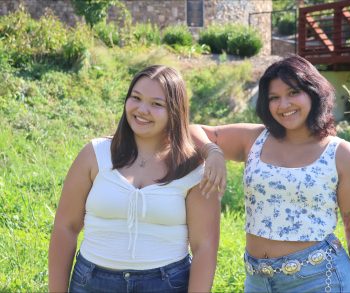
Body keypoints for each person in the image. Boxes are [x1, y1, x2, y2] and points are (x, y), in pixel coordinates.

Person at [192, 54, 350, 292]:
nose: (284, 105)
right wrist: (213, 152)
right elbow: (191, 131)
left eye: (293, 93)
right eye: (274, 98)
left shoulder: (342, 155)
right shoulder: (254, 139)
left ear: (313, 92)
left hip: (320, 280)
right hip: (258, 281)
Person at [49, 65, 221, 293]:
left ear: (175, 111)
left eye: (156, 104)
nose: (142, 109)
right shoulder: (95, 154)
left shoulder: (193, 169)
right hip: (91, 282)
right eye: (136, 98)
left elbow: (204, 248)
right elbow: (65, 227)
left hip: (166, 284)